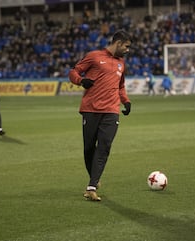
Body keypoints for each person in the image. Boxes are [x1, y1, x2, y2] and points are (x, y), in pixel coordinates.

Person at [69, 30, 132, 201]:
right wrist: (81, 80)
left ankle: (91, 186)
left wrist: (125, 101)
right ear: (118, 43)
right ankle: (94, 179)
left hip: (111, 111)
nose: (128, 50)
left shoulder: (121, 64)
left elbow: (120, 86)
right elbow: (73, 72)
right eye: (126, 46)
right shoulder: (94, 56)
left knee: (104, 146)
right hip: (90, 109)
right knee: (89, 148)